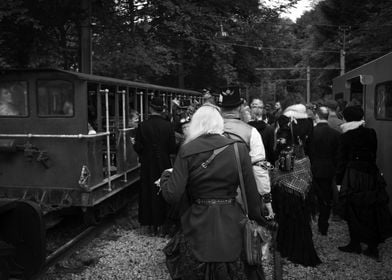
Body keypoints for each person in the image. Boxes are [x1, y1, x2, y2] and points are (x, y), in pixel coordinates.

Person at [159, 104, 267, 280]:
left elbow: (172, 195)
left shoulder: (187, 150)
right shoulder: (238, 149)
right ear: (220, 123)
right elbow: (251, 195)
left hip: (197, 222)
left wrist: (165, 178)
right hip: (231, 221)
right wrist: (259, 219)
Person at [271, 92, 321, 267]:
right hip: (304, 167)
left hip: (287, 169)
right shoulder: (308, 121)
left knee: (287, 209)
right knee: (301, 209)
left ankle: (288, 245)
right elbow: (311, 145)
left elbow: (279, 146)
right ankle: (301, 245)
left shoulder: (284, 121)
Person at [336, 105, 392, 260]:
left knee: (353, 209)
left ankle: (355, 244)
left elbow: (342, 161)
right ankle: (372, 246)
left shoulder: (345, 136)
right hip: (370, 174)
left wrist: (339, 182)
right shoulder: (371, 133)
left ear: (346, 118)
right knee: (372, 209)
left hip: (353, 175)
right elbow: (373, 154)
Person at [220, 89, 274, 220]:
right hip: (240, 191)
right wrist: (267, 198)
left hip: (212, 192)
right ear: (240, 108)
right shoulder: (251, 132)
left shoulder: (210, 130)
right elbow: (259, 167)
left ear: (221, 109)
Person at [133, 96, 177, 235]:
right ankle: (162, 224)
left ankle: (149, 224)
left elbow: (138, 147)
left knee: (147, 191)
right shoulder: (168, 126)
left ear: (150, 108)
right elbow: (171, 148)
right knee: (162, 190)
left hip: (147, 163)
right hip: (163, 163)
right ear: (162, 109)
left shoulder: (142, 126)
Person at [309, 106, 340, 235]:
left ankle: (310, 224)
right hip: (328, 169)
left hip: (312, 168)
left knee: (311, 196)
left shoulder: (311, 132)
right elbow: (337, 155)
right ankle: (323, 226)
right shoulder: (336, 134)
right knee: (326, 199)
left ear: (317, 116)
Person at [248, 97, 275, 164]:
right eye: (255, 106)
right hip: (262, 165)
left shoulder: (245, 127)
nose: (257, 109)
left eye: (259, 107)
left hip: (249, 165)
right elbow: (271, 151)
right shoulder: (269, 129)